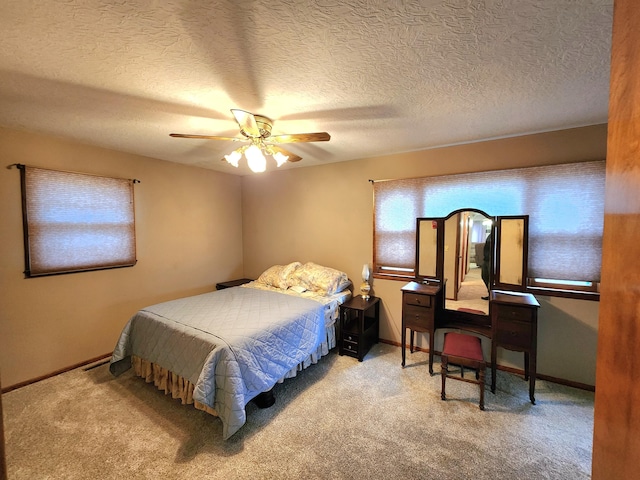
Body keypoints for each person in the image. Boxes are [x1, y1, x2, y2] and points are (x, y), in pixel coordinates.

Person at [481, 232, 492, 300]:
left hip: (491, 261)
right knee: (484, 276)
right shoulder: (490, 235)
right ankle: (489, 293)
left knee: (491, 279)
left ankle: (491, 295)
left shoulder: (497, 234)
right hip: (486, 259)